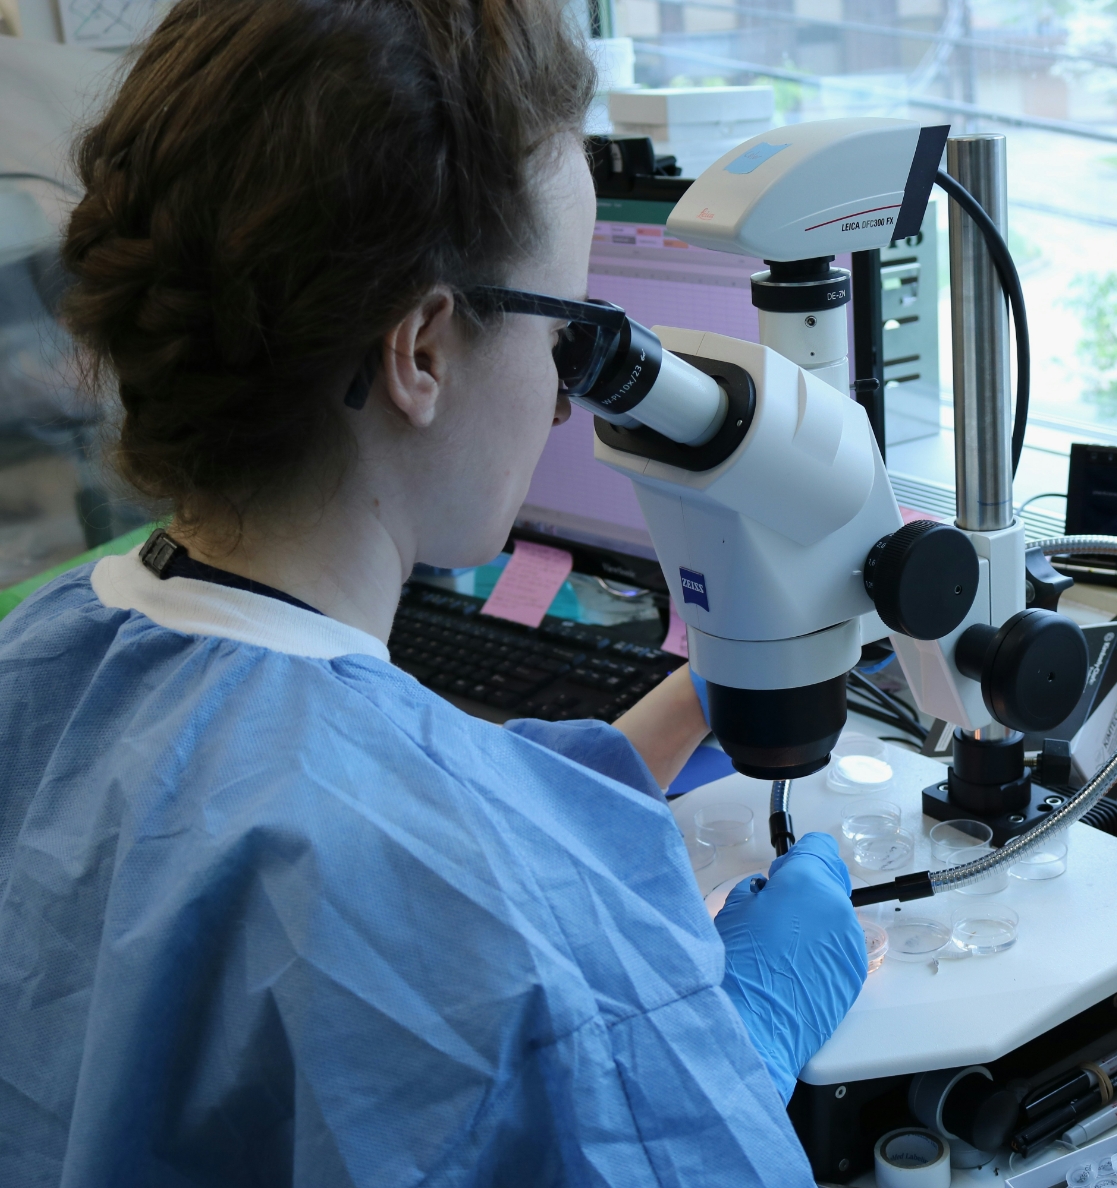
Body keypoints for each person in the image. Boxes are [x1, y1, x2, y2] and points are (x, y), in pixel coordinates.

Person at [0, 1, 869, 1183]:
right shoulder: (478, 912)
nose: (568, 398)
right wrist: (729, 1042)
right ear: (420, 351)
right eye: (567, 334)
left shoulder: (50, 656)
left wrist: (588, 778)